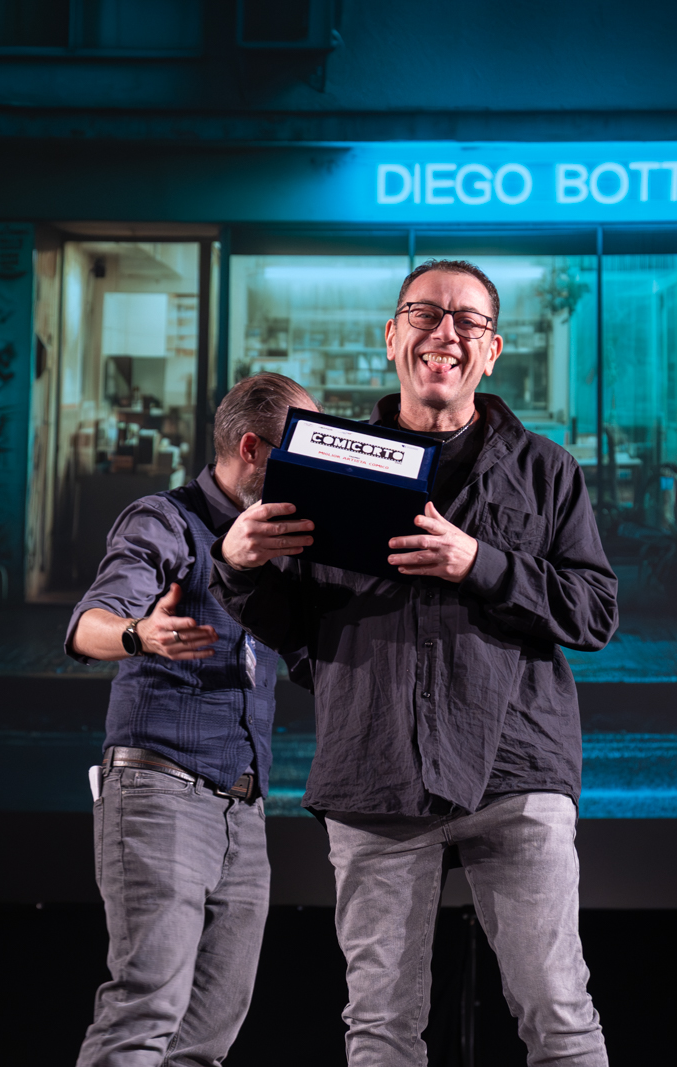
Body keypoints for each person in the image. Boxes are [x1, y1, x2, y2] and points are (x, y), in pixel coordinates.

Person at [211, 261, 618, 1066]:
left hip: (516, 771)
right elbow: (296, 628)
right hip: (377, 773)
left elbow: (595, 610)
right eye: (426, 314)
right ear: (393, 335)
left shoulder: (547, 470)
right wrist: (241, 566)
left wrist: (480, 563)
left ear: (493, 350)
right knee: (381, 1029)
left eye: (469, 321)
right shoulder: (327, 461)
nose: (446, 333)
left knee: (559, 1016)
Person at [66, 372, 317, 1067]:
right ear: (252, 448)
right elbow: (87, 625)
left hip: (244, 808)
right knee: (145, 1011)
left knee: (206, 1039)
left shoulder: (281, 540)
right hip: (161, 791)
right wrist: (139, 633)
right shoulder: (163, 520)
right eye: (299, 458)